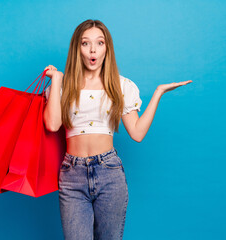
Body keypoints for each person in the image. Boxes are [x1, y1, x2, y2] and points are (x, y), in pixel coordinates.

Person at [43, 19, 192, 240]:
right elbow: (53, 124)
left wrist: (158, 93)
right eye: (85, 43)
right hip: (72, 175)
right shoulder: (62, 86)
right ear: (77, 48)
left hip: (109, 172)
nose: (93, 49)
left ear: (107, 48)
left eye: (99, 43)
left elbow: (137, 133)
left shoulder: (121, 86)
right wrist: (56, 78)